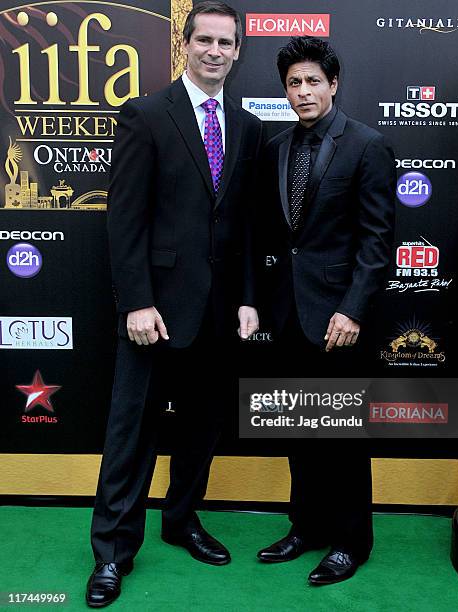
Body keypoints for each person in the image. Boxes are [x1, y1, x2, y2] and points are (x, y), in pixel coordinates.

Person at [86, 2, 262, 607]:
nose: (215, 51)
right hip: (154, 311)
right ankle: (112, 552)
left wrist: (245, 299)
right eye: (205, 40)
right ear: (185, 45)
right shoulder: (145, 114)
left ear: (239, 52)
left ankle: (181, 519)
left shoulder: (245, 124)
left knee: (200, 428)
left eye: (226, 43)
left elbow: (241, 225)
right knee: (131, 432)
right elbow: (124, 218)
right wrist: (136, 301)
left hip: (217, 314)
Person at [255, 37, 395, 585]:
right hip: (289, 314)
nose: (303, 91)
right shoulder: (276, 147)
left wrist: (354, 310)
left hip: (340, 319)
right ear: (285, 90)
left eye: (313, 80)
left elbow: (378, 240)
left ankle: (351, 540)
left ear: (333, 84)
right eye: (294, 82)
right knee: (297, 429)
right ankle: (305, 527)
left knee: (340, 435)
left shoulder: (366, 144)